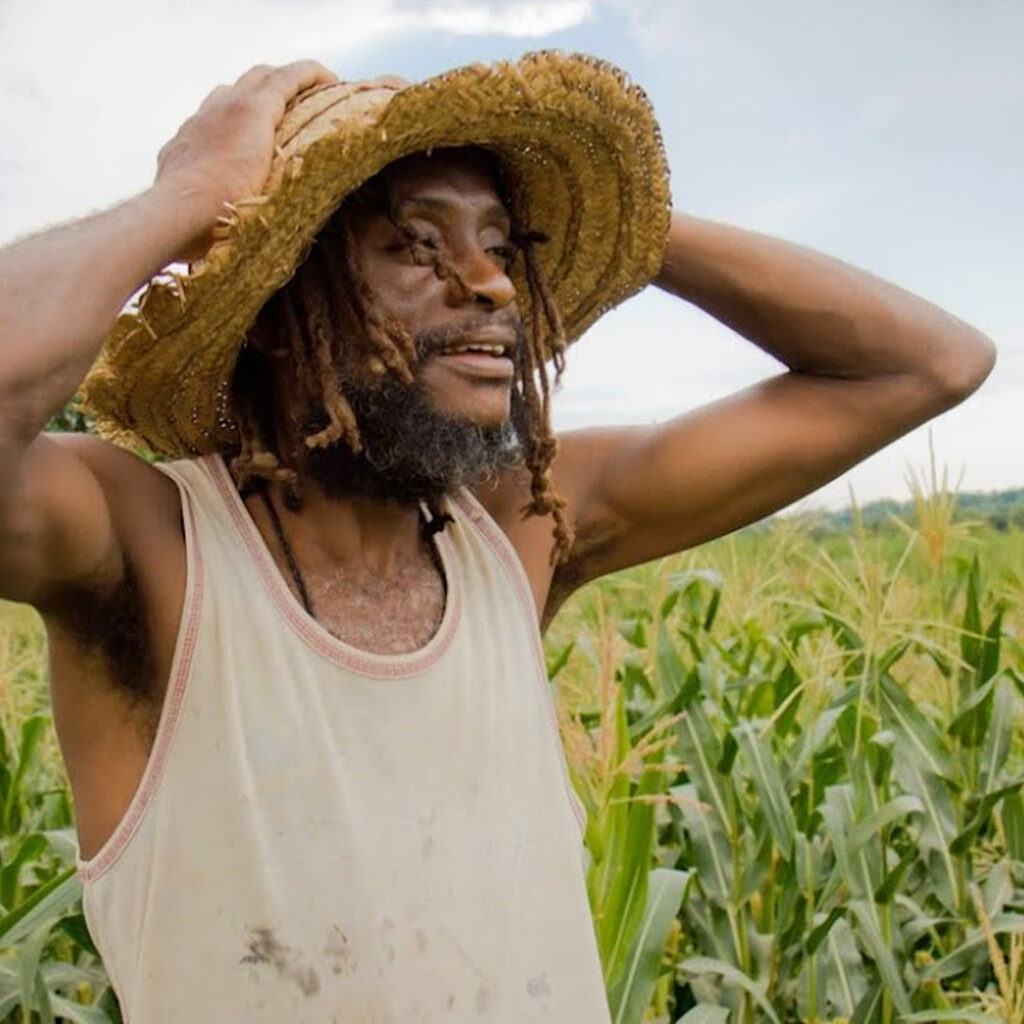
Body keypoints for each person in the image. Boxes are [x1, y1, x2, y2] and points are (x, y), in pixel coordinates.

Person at [0, 52, 995, 1023]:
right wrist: (190, 196)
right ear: (274, 308)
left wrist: (619, 224)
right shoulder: (147, 544)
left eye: (503, 246)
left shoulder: (516, 525)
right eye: (414, 247)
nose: (494, 287)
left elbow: (928, 364)